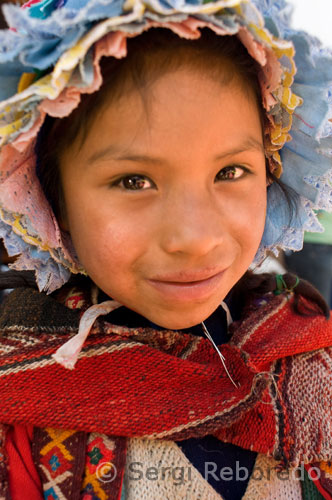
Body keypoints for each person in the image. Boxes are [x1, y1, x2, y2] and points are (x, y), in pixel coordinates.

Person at [0, 1, 332, 499]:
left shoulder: (310, 347)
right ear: (56, 203)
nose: (194, 238)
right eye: (134, 181)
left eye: (230, 172)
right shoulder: (16, 408)